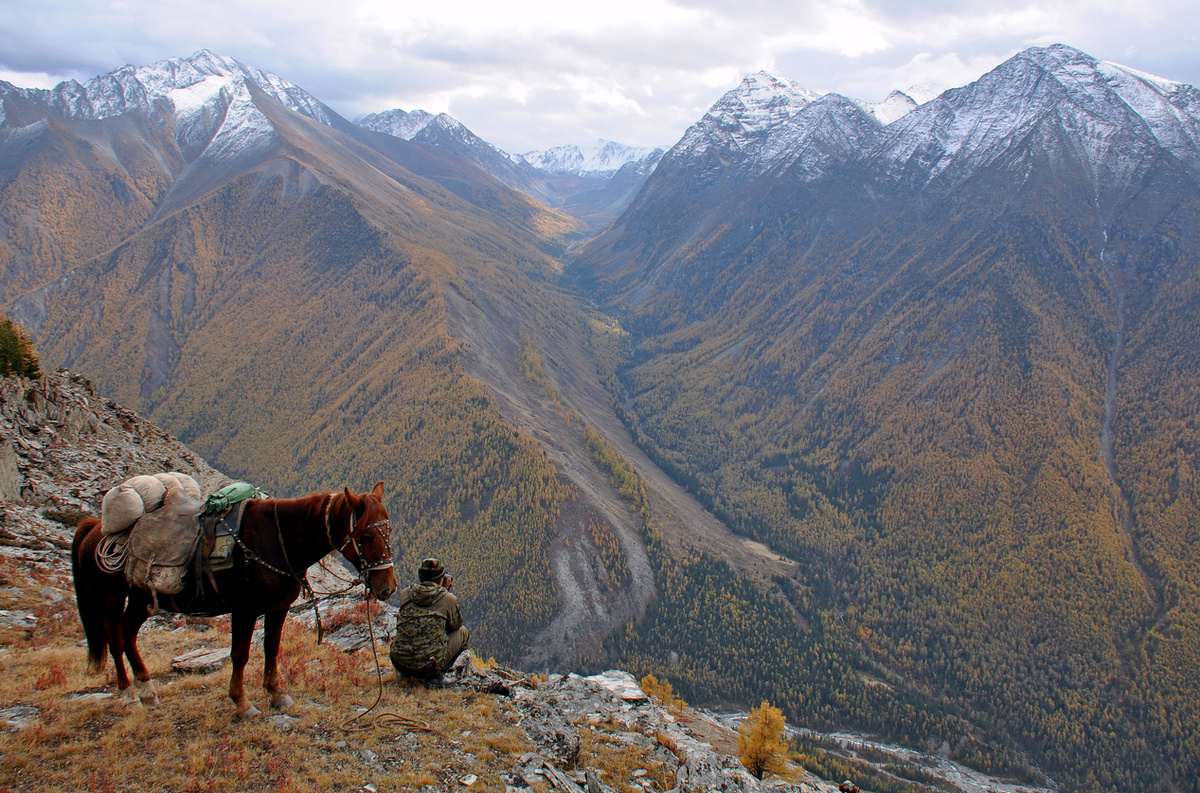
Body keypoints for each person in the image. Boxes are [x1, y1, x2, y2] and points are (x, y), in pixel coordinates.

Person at [389, 558, 470, 684]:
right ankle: (438, 676)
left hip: (398, 662)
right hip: (428, 667)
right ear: (440, 579)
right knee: (463, 632)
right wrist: (445, 591)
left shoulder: (406, 594)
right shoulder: (448, 599)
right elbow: (455, 626)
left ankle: (405, 672)